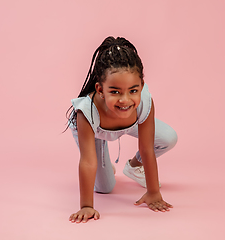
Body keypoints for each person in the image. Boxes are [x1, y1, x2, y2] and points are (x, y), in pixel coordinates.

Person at [66, 36, 178, 223]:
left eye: (133, 91)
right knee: (105, 187)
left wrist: (153, 192)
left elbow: (147, 148)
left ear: (141, 87)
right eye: (115, 92)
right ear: (100, 90)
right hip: (97, 131)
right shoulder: (86, 112)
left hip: (129, 123)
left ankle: (134, 167)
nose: (125, 100)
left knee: (168, 137)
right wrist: (86, 206)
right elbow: (87, 162)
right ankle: (104, 165)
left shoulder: (143, 102)